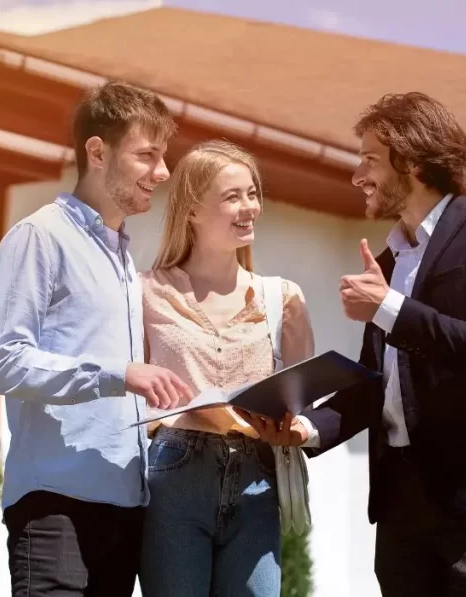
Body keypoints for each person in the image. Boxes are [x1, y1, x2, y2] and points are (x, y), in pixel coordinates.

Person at [252, 92, 466, 597]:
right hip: (401, 503)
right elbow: (376, 386)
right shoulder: (386, 263)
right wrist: (307, 427)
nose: (357, 176)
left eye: (369, 160)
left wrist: (389, 307)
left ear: (410, 162)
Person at [0, 81, 194, 597]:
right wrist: (117, 374)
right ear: (97, 152)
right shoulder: (40, 236)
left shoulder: (122, 257)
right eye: (147, 156)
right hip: (55, 509)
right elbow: (4, 362)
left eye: (163, 157)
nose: (162, 174)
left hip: (124, 508)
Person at [136, 139, 315, 597]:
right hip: (174, 475)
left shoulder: (283, 299)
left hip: (257, 474)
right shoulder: (145, 292)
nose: (249, 207)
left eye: (253, 193)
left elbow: (304, 398)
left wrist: (294, 417)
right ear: (192, 210)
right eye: (232, 196)